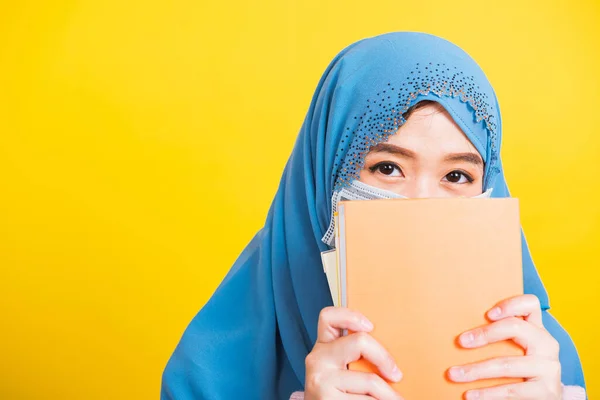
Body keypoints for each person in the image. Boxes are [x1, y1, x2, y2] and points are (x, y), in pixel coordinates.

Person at [161, 32, 587, 400]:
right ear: (322, 182)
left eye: (456, 174)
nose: (423, 205)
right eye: (387, 168)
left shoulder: (546, 368)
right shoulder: (208, 372)